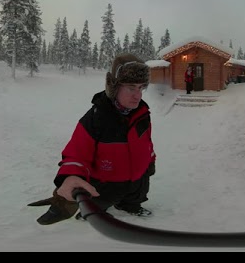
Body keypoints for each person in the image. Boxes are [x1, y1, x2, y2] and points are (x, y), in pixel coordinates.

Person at [29, 53, 156, 225]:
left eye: (141, 88)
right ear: (114, 87)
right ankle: (90, 213)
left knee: (136, 196)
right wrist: (72, 176)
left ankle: (129, 206)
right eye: (131, 87)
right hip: (106, 184)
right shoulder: (96, 118)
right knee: (98, 203)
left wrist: (150, 162)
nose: (138, 95)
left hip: (138, 180)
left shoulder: (142, 114)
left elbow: (147, 143)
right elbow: (76, 155)